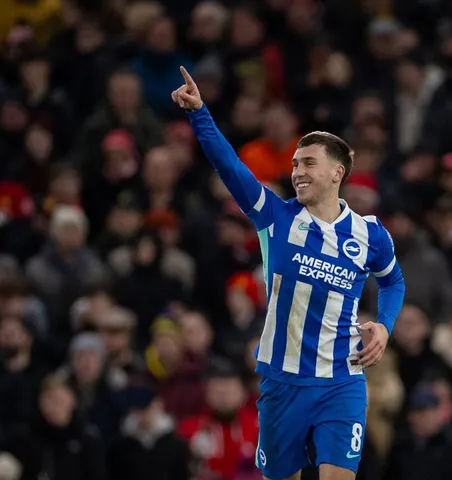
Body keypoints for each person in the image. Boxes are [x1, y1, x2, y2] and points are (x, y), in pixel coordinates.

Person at [173, 67, 406, 480]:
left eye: (309, 163)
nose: (297, 171)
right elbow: (230, 167)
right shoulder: (275, 217)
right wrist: (199, 113)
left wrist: (385, 326)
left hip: (341, 379)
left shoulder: (370, 233)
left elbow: (392, 281)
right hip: (282, 382)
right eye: (296, 164)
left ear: (337, 173)